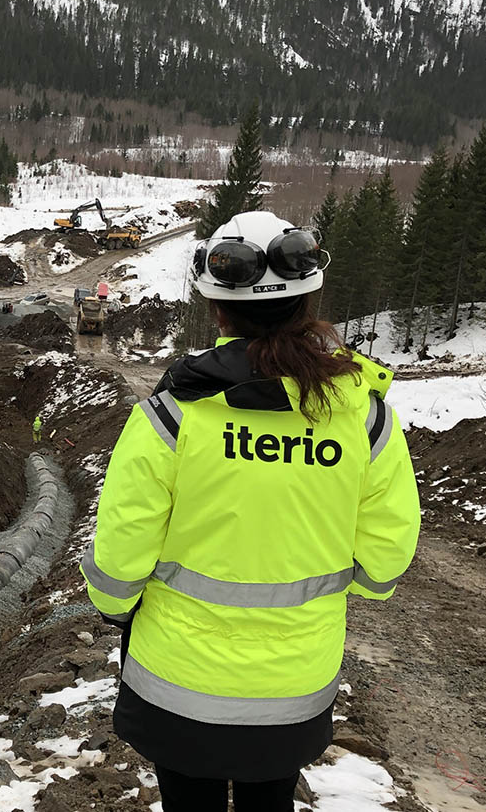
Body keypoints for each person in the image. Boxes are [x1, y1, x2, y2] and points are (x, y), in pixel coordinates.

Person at [80, 211, 420, 812]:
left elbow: (121, 549)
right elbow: (387, 554)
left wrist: (114, 606)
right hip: (295, 682)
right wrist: (351, 588)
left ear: (217, 309)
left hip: (178, 683)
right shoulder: (366, 419)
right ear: (310, 298)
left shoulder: (169, 417)